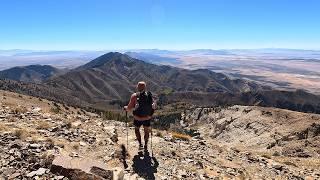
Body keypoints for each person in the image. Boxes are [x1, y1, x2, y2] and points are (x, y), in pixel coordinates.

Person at [124, 81, 156, 150]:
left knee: (137, 129)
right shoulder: (150, 95)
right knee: (146, 131)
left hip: (137, 118)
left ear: (137, 87)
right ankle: (146, 145)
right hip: (147, 117)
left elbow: (129, 108)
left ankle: (140, 144)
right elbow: (153, 106)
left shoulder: (134, 96)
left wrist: (125, 108)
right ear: (145, 87)